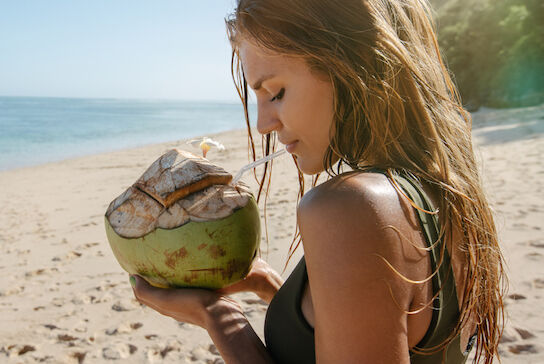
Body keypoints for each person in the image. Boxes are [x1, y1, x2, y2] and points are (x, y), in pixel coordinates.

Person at [129, 0, 507, 363]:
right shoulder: (444, 189)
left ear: (349, 62)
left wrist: (217, 318)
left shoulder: (352, 208)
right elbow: (385, 325)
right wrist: (272, 289)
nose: (263, 124)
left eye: (276, 92)